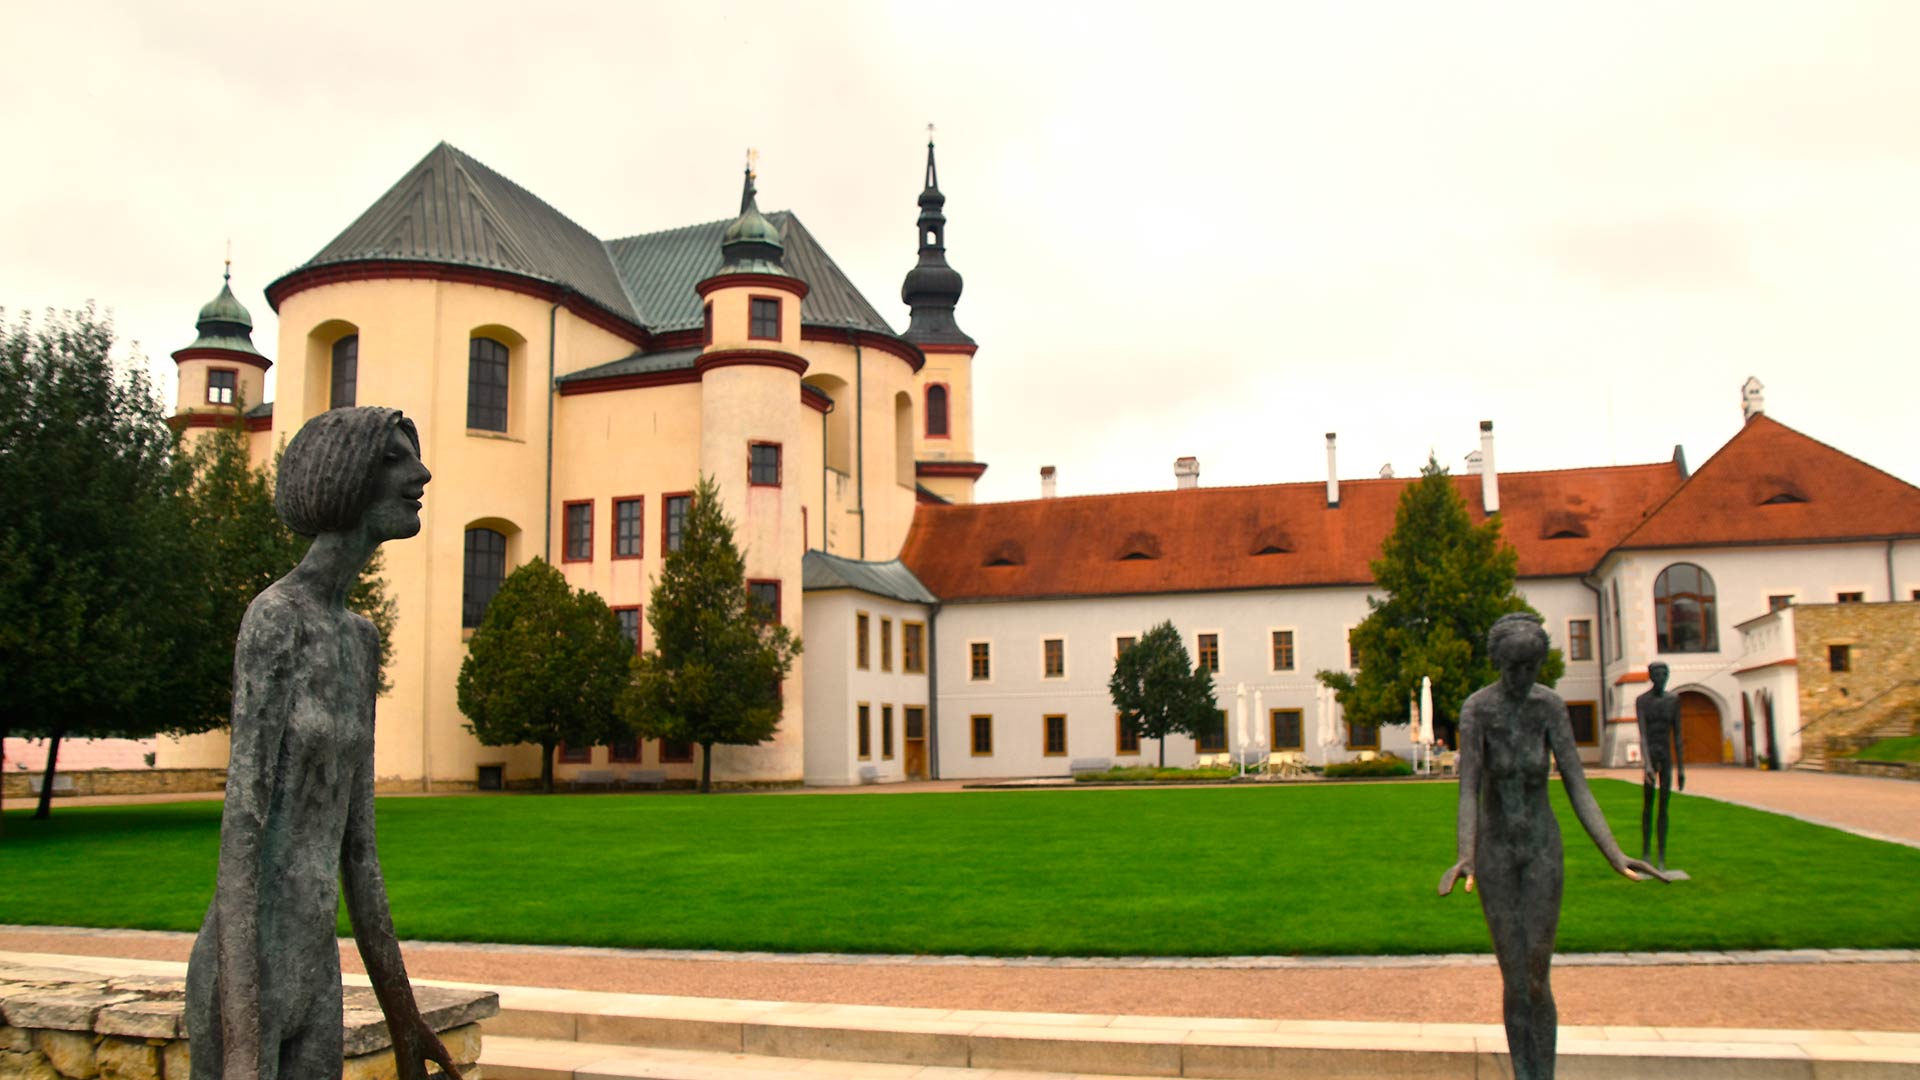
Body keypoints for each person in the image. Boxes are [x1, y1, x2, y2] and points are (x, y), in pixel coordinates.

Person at [186, 408, 460, 1080]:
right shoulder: (275, 619)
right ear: (346, 476)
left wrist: (402, 1010)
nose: (420, 474)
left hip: (315, 967)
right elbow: (241, 832)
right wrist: (244, 1040)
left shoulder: (358, 639)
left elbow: (359, 850)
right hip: (245, 974)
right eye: (396, 458)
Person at [1439, 613, 1667, 1080]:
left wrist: (1613, 850)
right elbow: (1468, 788)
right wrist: (1466, 852)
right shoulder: (1477, 709)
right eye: (1513, 668)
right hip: (1496, 853)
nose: (1522, 678)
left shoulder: (1549, 707)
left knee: (1537, 977)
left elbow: (1578, 785)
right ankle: (1525, 1073)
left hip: (1543, 848)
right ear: (1497, 662)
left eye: (1531, 668)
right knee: (1513, 978)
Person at [1636, 661, 1685, 870]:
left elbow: (1678, 735)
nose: (1661, 677)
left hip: (1665, 756)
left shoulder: (1673, 700)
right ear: (1650, 676)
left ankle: (1661, 856)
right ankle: (1647, 852)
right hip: (1652, 754)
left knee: (1663, 807)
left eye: (1664, 673)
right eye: (1657, 673)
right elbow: (1643, 734)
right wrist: (1647, 763)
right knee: (1648, 806)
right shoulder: (1642, 701)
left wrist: (1681, 769)